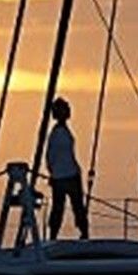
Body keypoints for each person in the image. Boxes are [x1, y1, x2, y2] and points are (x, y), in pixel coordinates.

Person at [45, 97, 89, 240]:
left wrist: (52, 173)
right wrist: (53, 173)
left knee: (65, 207)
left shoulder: (59, 132)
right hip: (67, 176)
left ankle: (80, 233)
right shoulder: (58, 133)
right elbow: (51, 156)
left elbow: (50, 157)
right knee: (74, 206)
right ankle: (81, 233)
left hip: (65, 175)